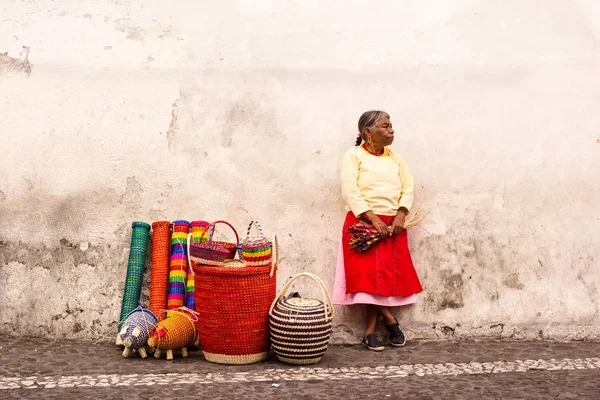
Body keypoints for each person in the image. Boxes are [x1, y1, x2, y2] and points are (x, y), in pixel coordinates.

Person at [333, 110, 423, 351]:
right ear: (368, 133)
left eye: (391, 125)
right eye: (385, 126)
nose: (392, 130)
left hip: (393, 226)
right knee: (367, 279)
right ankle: (391, 321)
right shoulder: (354, 156)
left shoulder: (395, 158)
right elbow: (350, 191)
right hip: (362, 225)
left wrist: (401, 215)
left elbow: (408, 187)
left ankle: (371, 332)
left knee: (384, 279)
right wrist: (373, 219)